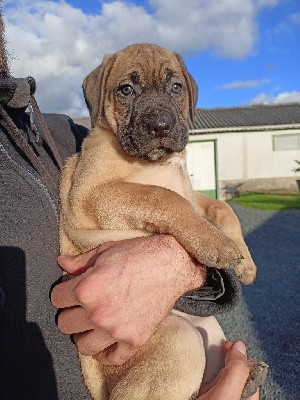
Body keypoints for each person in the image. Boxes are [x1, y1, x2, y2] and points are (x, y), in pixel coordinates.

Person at [0, 11, 258, 399]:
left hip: (172, 330)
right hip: (120, 359)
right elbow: (94, 200)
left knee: (217, 351)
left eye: (174, 89)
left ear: (189, 96)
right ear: (99, 95)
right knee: (182, 351)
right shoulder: (101, 147)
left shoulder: (53, 130)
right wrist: (183, 224)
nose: (158, 116)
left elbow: (189, 207)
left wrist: (217, 226)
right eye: (126, 90)